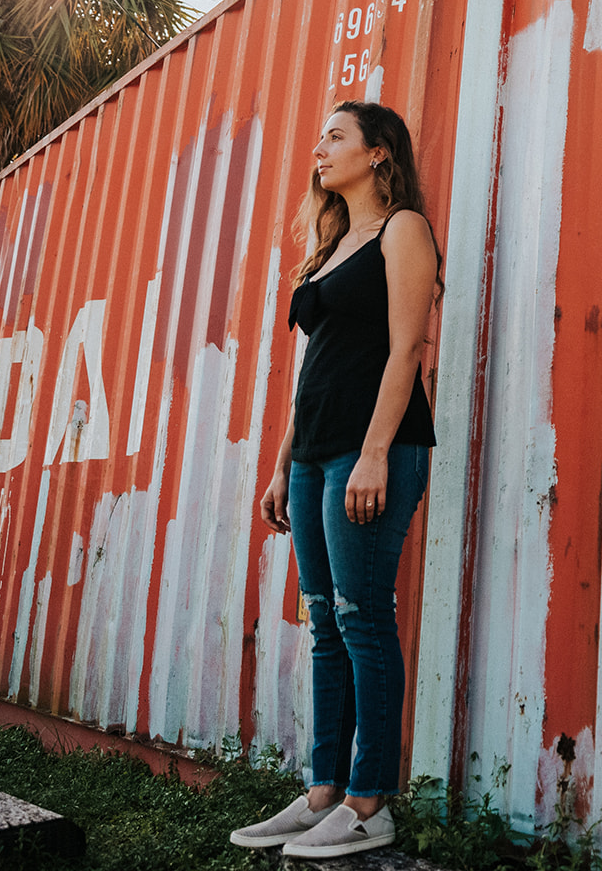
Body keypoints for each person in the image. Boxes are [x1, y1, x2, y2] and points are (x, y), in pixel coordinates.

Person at [230, 100, 441, 859]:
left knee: (361, 617)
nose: (319, 147)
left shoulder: (401, 229)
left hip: (372, 449)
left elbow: (406, 348)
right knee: (325, 622)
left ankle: (369, 802)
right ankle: (323, 792)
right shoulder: (329, 246)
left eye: (336, 136)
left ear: (379, 153)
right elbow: (311, 371)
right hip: (317, 452)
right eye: (320, 135)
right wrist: (285, 462)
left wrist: (378, 453)